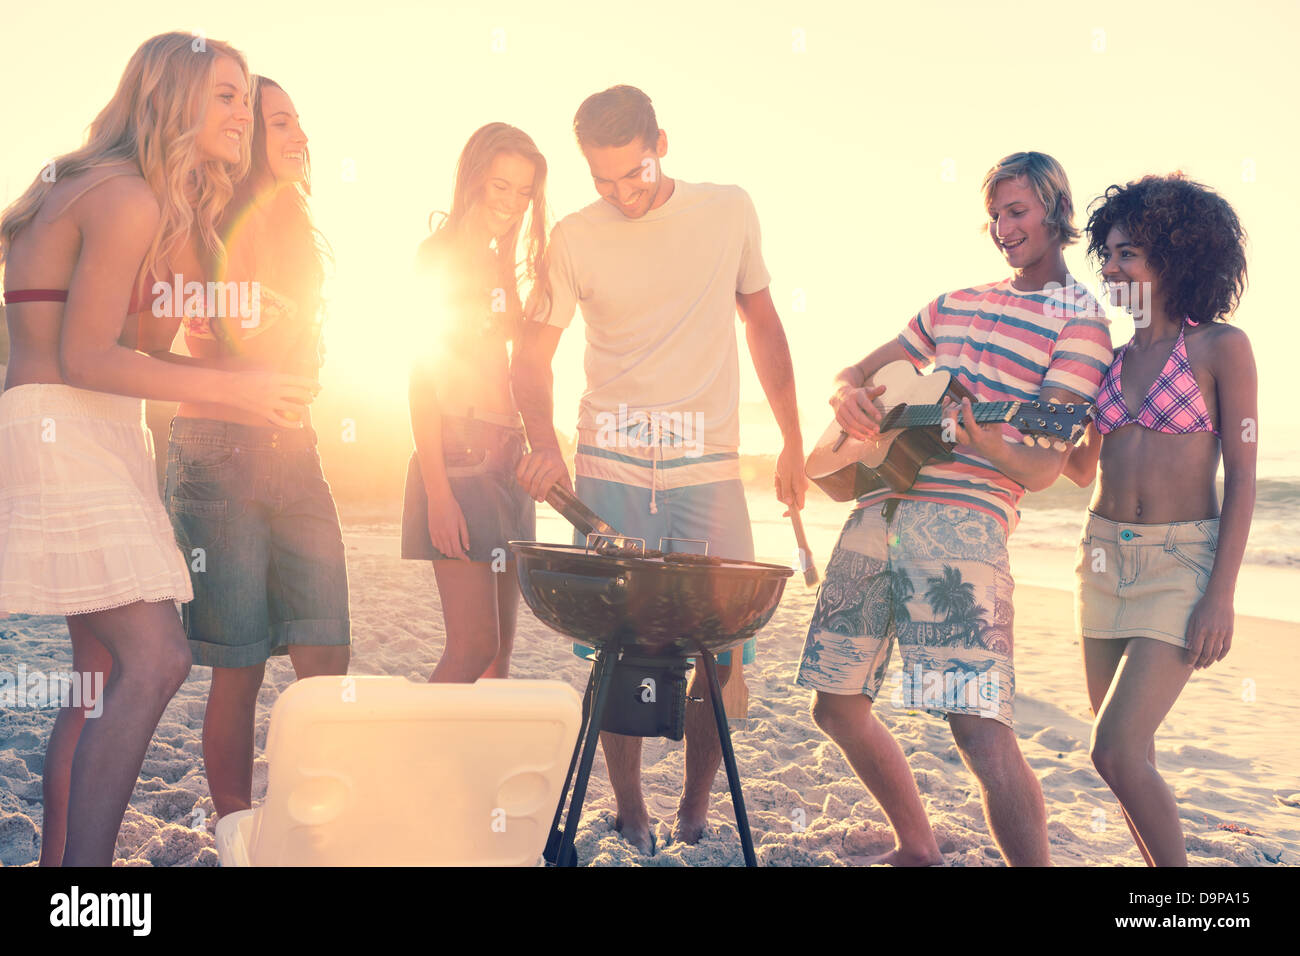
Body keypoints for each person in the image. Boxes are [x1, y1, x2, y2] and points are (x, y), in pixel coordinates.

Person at [0, 33, 316, 866]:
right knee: (158, 657)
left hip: (85, 425)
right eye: (224, 96)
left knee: (97, 673)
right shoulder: (126, 195)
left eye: (245, 97)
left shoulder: (114, 190)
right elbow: (87, 356)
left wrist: (225, 323)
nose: (241, 113)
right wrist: (237, 388)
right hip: (63, 425)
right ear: (170, 100)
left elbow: (131, 343)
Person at [796, 151, 1113, 866]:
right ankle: (919, 846)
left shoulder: (1083, 323)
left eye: (1018, 211)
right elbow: (857, 371)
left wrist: (982, 438)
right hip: (877, 509)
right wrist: (845, 394)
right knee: (834, 703)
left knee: (975, 725)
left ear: (1056, 210)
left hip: (964, 528)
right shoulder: (951, 304)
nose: (1003, 227)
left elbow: (1042, 467)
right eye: (996, 214)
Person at [512, 85, 806, 853]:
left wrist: (794, 441)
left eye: (633, 175)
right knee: (620, 646)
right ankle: (634, 808)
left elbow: (765, 327)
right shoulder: (575, 237)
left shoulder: (728, 210)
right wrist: (543, 442)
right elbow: (531, 357)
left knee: (723, 651)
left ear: (662, 144)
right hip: (609, 465)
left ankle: (696, 810)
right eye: (602, 180)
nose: (620, 194)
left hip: (707, 466)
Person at [158, 76, 350, 818]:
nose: (297, 132)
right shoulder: (203, 221)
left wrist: (308, 359)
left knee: (326, 652)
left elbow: (289, 333)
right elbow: (184, 339)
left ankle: (310, 813)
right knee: (237, 667)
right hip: (219, 450)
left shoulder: (297, 227)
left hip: (297, 452)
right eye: (279, 122)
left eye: (298, 118)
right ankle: (236, 829)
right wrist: (247, 371)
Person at [1062, 173, 1255, 866]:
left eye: (1127, 254)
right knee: (1125, 756)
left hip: (1181, 566)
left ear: (1175, 257)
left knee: (1112, 749)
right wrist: (1010, 435)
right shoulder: (1106, 360)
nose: (1109, 268)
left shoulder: (1219, 348)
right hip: (1102, 559)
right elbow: (1081, 469)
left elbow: (1243, 476)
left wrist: (1222, 594)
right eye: (1107, 254)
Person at [401, 123, 548, 682]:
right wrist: (438, 493)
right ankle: (413, 767)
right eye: (499, 188)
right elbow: (421, 376)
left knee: (500, 655)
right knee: (473, 646)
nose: (511, 205)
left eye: (524, 193)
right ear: (473, 181)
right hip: (460, 461)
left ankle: (473, 770)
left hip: (508, 461)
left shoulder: (499, 263)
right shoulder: (438, 256)